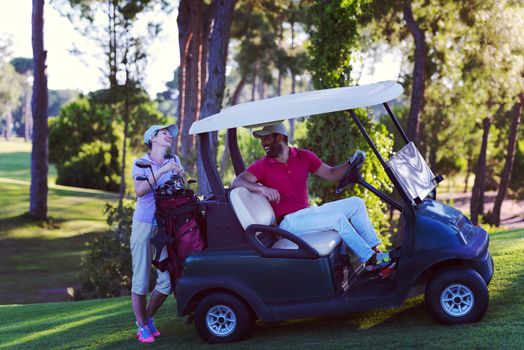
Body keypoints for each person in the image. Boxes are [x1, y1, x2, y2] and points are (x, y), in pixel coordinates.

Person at [231, 123, 390, 271]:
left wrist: (350, 163)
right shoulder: (262, 166)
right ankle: (370, 259)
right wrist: (262, 188)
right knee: (337, 219)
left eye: (266, 138)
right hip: (289, 222)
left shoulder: (303, 156)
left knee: (356, 203)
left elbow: (331, 173)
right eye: (261, 139)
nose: (263, 143)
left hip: (308, 213)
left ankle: (375, 251)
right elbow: (237, 181)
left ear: (279, 137)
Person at [130, 123, 184, 343]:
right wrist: (161, 171)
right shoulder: (140, 163)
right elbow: (140, 191)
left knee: (166, 282)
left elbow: (178, 188)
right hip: (143, 225)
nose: (168, 136)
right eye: (164, 133)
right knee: (141, 279)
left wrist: (179, 175)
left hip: (165, 226)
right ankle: (141, 326)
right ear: (152, 138)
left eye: (169, 134)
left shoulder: (175, 160)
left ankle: (148, 318)